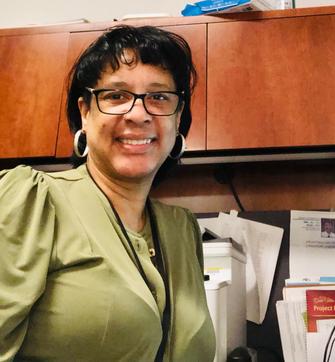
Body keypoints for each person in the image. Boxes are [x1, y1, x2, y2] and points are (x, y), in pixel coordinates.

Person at [0, 25, 215, 361]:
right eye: (116, 96)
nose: (139, 114)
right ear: (85, 112)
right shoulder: (33, 201)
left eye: (159, 97)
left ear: (178, 118)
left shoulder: (182, 230)